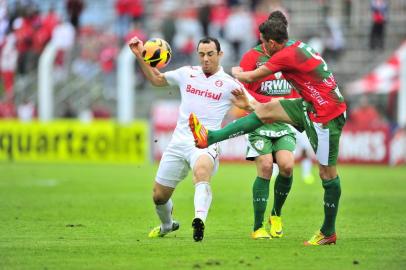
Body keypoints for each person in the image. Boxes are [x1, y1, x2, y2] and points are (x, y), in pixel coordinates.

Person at [189, 16, 347, 246]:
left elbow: (250, 76)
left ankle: (328, 232)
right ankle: (210, 137)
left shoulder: (284, 55)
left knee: (327, 174)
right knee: (265, 111)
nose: (262, 45)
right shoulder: (296, 46)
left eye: (264, 41)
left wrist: (236, 71)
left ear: (272, 42)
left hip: (327, 115)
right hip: (309, 105)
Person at [128, 36, 248, 242]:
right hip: (178, 143)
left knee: (201, 172)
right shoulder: (187, 73)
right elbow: (157, 79)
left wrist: (248, 104)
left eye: (210, 54)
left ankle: (199, 220)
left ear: (220, 55)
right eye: (202, 54)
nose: (206, 59)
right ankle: (167, 225)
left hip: (205, 143)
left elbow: (254, 107)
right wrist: (140, 55)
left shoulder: (230, 85)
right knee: (159, 196)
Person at [239, 11, 300, 240]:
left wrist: (291, 104)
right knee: (265, 166)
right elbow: (242, 91)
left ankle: (276, 214)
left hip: (284, 121)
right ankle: (257, 227)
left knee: (286, 167)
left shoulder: (292, 54)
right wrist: (271, 103)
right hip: (260, 119)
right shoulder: (251, 57)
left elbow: (299, 84)